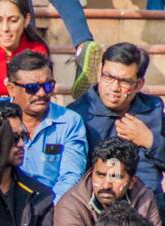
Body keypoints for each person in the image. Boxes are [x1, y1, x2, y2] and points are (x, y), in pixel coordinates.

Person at [70, 42, 165, 215]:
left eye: (125, 82)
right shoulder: (79, 114)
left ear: (139, 84)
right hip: (96, 207)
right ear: (99, 73)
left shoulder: (153, 109)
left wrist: (150, 141)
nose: (114, 88)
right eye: (108, 77)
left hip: (148, 205)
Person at [52, 137, 165, 226]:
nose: (106, 185)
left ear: (131, 182)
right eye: (100, 175)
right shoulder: (71, 204)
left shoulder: (144, 198)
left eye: (115, 177)